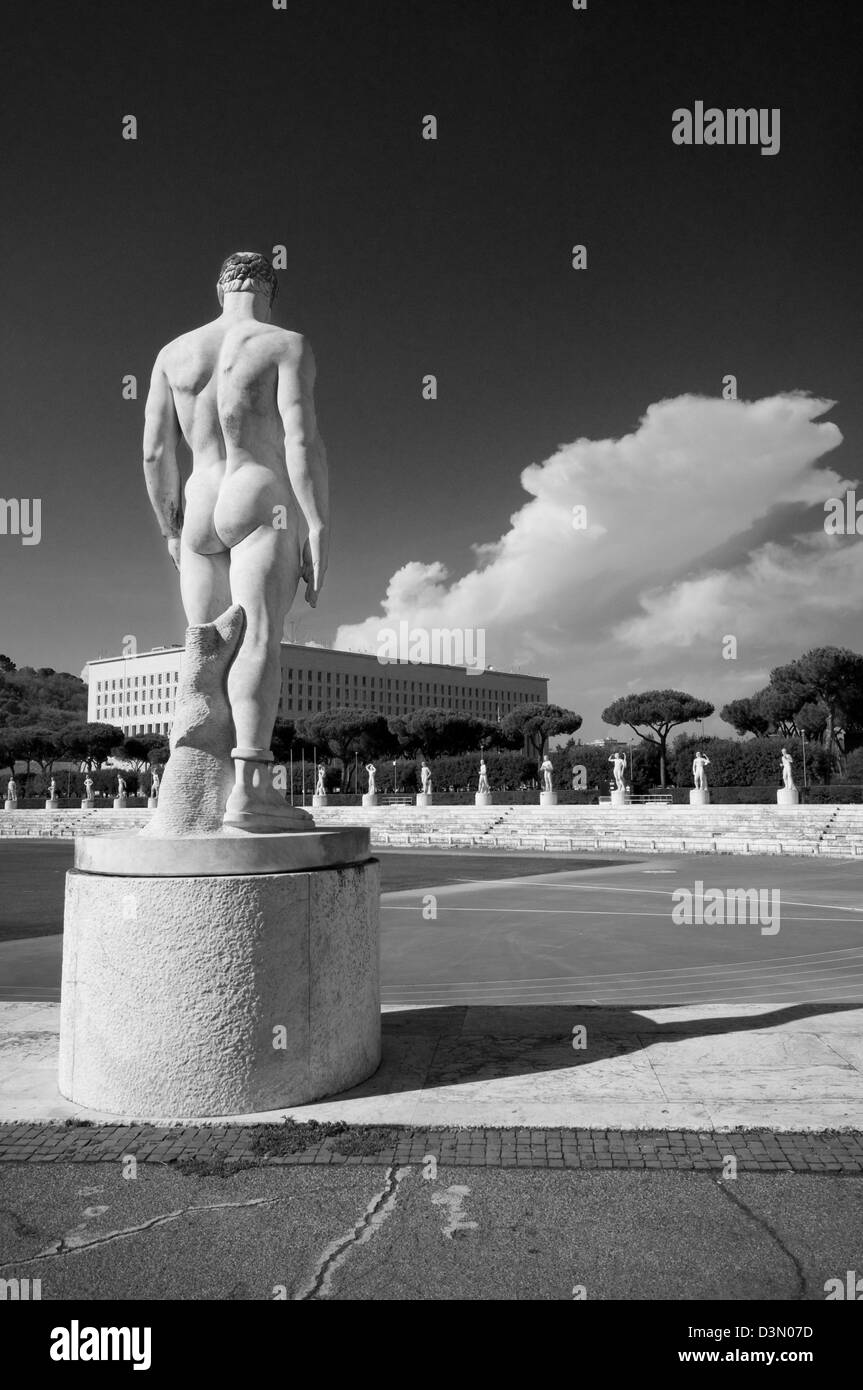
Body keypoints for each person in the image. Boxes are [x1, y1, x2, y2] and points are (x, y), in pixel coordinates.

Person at [143, 251, 329, 830]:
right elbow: (300, 441)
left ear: (221, 288)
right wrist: (317, 523)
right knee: (258, 640)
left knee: (205, 648)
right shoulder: (285, 344)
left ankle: (194, 786)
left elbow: (154, 453)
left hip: (199, 501)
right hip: (257, 492)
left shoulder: (175, 353)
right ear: (268, 290)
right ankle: (249, 789)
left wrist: (170, 528)